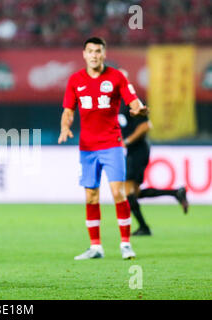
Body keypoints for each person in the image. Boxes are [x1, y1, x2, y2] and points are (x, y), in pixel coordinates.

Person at [58, 37, 148, 260]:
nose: (94, 55)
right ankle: (95, 247)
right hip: (87, 148)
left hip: (112, 145)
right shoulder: (75, 80)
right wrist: (64, 127)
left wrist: (139, 110)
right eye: (90, 51)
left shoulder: (116, 77)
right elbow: (68, 110)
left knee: (118, 193)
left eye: (98, 51)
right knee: (90, 197)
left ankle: (126, 244)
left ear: (104, 54)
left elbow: (133, 100)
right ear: (84, 54)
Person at [117, 69, 189, 236]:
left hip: (138, 150)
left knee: (128, 193)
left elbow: (145, 126)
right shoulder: (117, 104)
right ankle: (175, 193)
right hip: (133, 151)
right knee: (134, 193)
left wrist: (126, 142)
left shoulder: (132, 102)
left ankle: (144, 227)